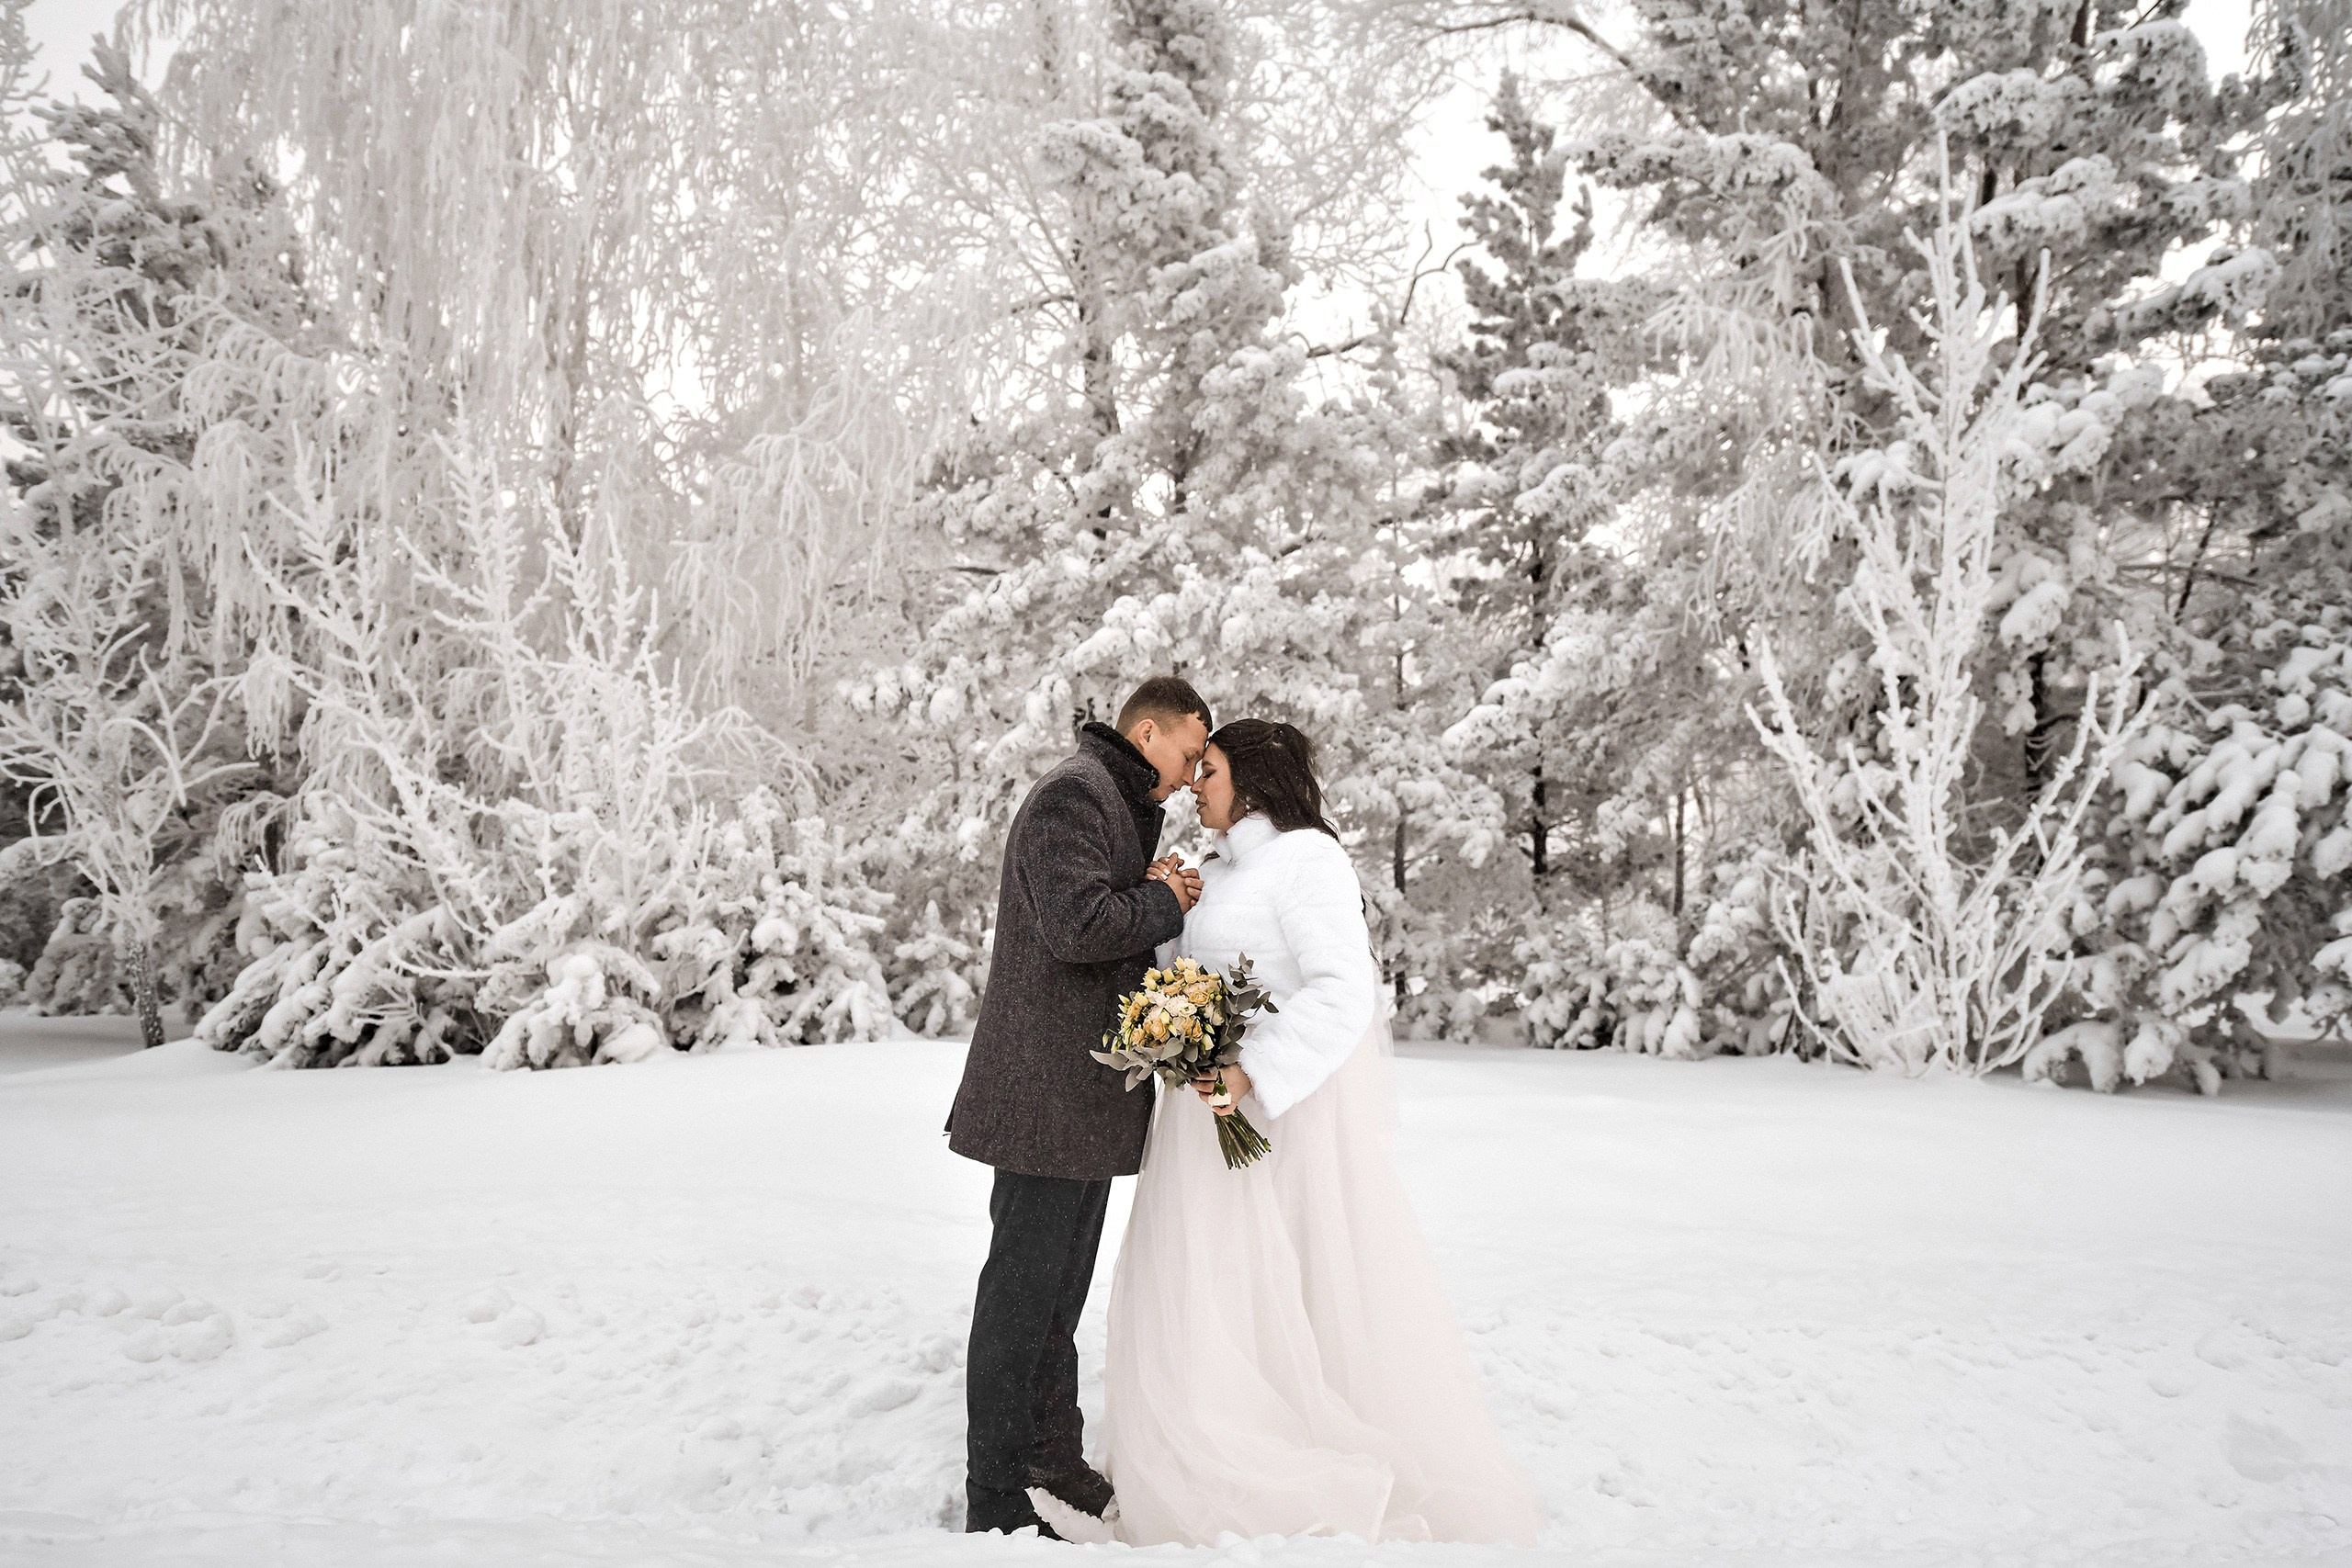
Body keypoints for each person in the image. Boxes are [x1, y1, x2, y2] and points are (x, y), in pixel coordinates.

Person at [1086, 717, 1542, 1547]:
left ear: (1254, 780)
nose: (1194, 782)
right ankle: (1203, 1423)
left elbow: (1342, 991)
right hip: (1201, 1119)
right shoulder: (1215, 869)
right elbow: (1197, 972)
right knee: (1207, 1279)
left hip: (1276, 1119)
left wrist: (1252, 1069)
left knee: (1275, 1277)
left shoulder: (1308, 861)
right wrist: (1165, 939)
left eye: (1210, 769)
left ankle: (1286, 1437)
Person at [946, 675, 1210, 1539]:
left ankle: (1052, 1454)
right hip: (1042, 1094)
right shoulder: (1075, 793)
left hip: (1078, 1096)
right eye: (1186, 751)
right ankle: (995, 1492)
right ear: (1145, 732)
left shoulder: (1114, 799)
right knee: (1021, 1295)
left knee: (1058, 1291)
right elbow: (1076, 924)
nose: (1191, 770)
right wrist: (1165, 897)